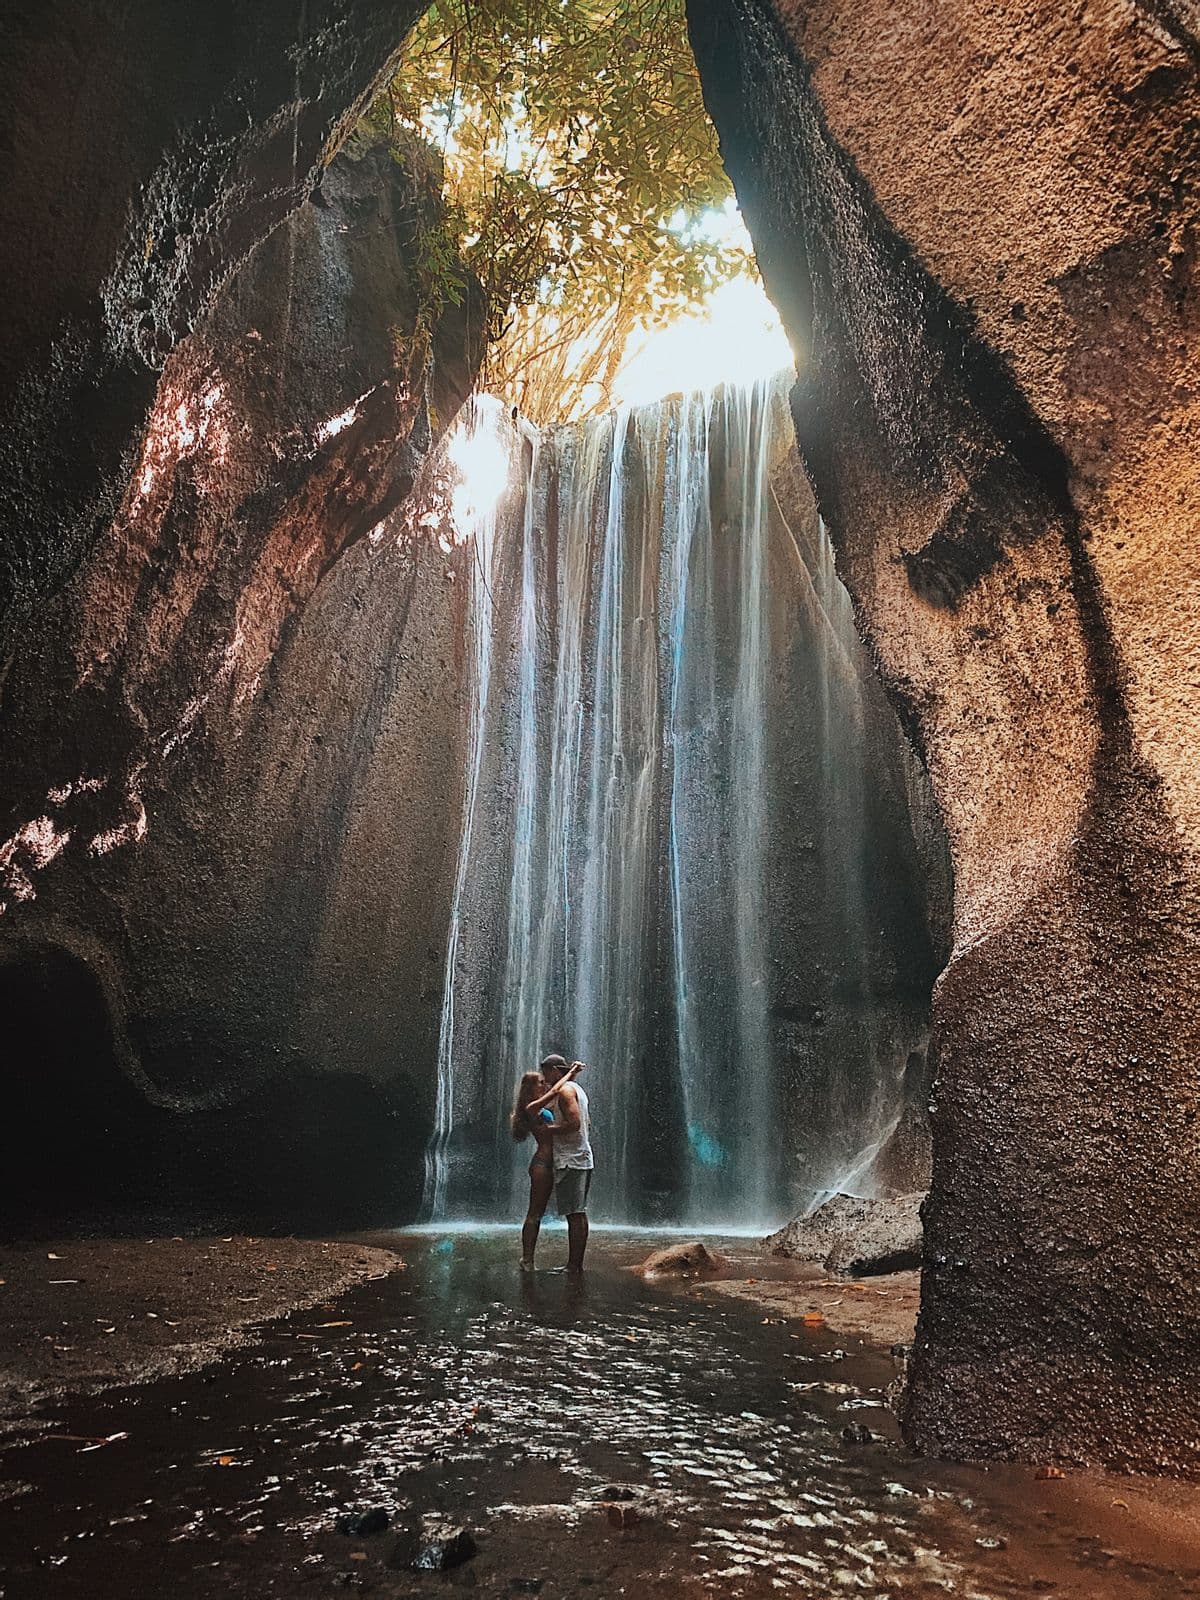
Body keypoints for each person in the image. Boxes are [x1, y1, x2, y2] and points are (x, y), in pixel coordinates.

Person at [511, 1056, 582, 1271]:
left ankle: (534, 1258)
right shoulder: (531, 1107)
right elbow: (554, 1093)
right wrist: (570, 1075)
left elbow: (558, 1100)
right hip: (542, 1165)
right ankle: (527, 1259)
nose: (546, 1084)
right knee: (535, 1212)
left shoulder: (541, 1107)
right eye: (541, 1082)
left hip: (554, 1162)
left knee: (552, 1212)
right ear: (531, 1088)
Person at [537, 1053, 594, 1274]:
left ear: (555, 1070)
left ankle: (574, 1265)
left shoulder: (565, 1091)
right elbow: (587, 1122)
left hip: (571, 1159)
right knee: (578, 1213)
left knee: (574, 1214)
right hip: (581, 1157)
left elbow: (574, 1123)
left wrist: (548, 1130)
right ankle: (576, 1264)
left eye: (545, 1070)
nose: (543, 1075)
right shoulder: (578, 1091)